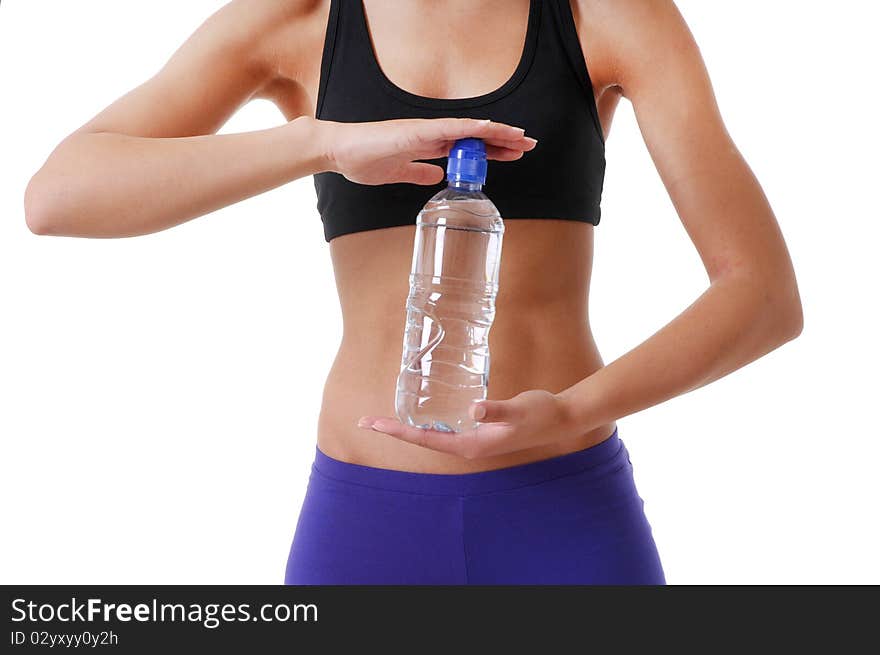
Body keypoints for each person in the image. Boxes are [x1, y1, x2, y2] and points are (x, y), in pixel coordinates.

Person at [24, 0, 802, 585]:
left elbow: (762, 293)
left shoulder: (603, 13)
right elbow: (58, 195)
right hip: (364, 521)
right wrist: (324, 142)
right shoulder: (298, 19)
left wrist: (572, 409)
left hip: (564, 512)